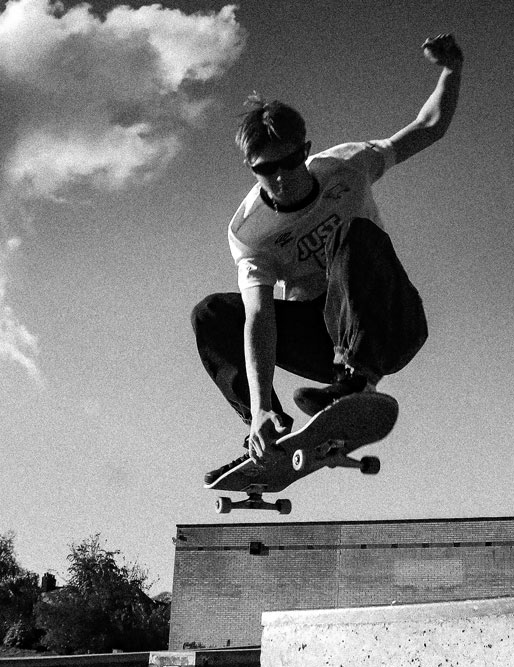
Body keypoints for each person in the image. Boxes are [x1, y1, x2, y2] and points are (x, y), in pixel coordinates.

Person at [193, 33, 464, 481]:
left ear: (305, 150)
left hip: (391, 323)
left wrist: (451, 69)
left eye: (288, 163)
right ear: (250, 167)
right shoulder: (249, 231)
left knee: (352, 234)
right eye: (265, 169)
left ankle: (356, 377)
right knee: (211, 314)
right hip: (321, 342)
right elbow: (259, 316)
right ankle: (268, 429)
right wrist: (259, 407)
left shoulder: (347, 166)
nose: (280, 178)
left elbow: (428, 126)